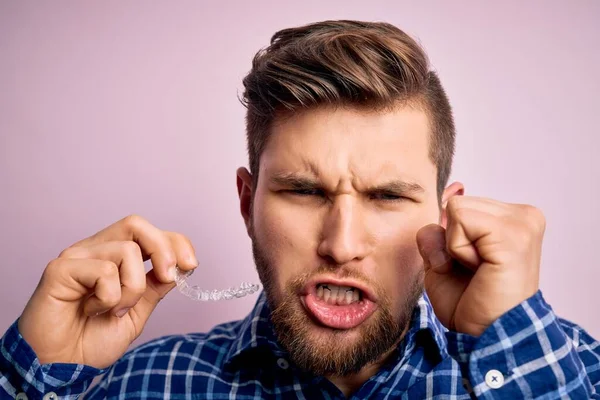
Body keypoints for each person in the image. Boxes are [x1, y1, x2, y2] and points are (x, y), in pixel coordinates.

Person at [1, 19, 599, 400]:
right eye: (304, 192)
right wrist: (32, 380)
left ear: (445, 218)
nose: (341, 244)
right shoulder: (132, 387)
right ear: (246, 202)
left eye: (388, 196)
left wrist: (514, 347)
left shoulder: (573, 370)